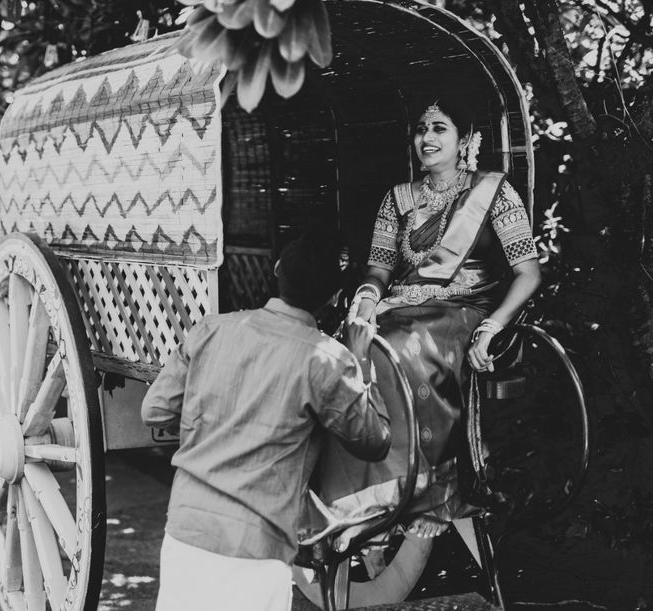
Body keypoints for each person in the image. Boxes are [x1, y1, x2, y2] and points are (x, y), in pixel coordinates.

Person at [321, 94, 542, 540]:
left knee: (398, 349)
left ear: (466, 140)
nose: (427, 137)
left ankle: (425, 493)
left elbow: (528, 274)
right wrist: (365, 298)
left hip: (463, 310)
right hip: (399, 306)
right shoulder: (399, 198)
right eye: (422, 129)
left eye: (440, 128)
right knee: (345, 348)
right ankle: (356, 498)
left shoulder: (493, 192)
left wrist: (492, 326)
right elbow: (379, 268)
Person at [141, 235, 392, 611]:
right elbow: (375, 440)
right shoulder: (328, 361)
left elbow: (155, 412)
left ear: (276, 271)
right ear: (336, 298)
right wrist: (361, 361)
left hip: (186, 531)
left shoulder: (210, 330)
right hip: (257, 548)